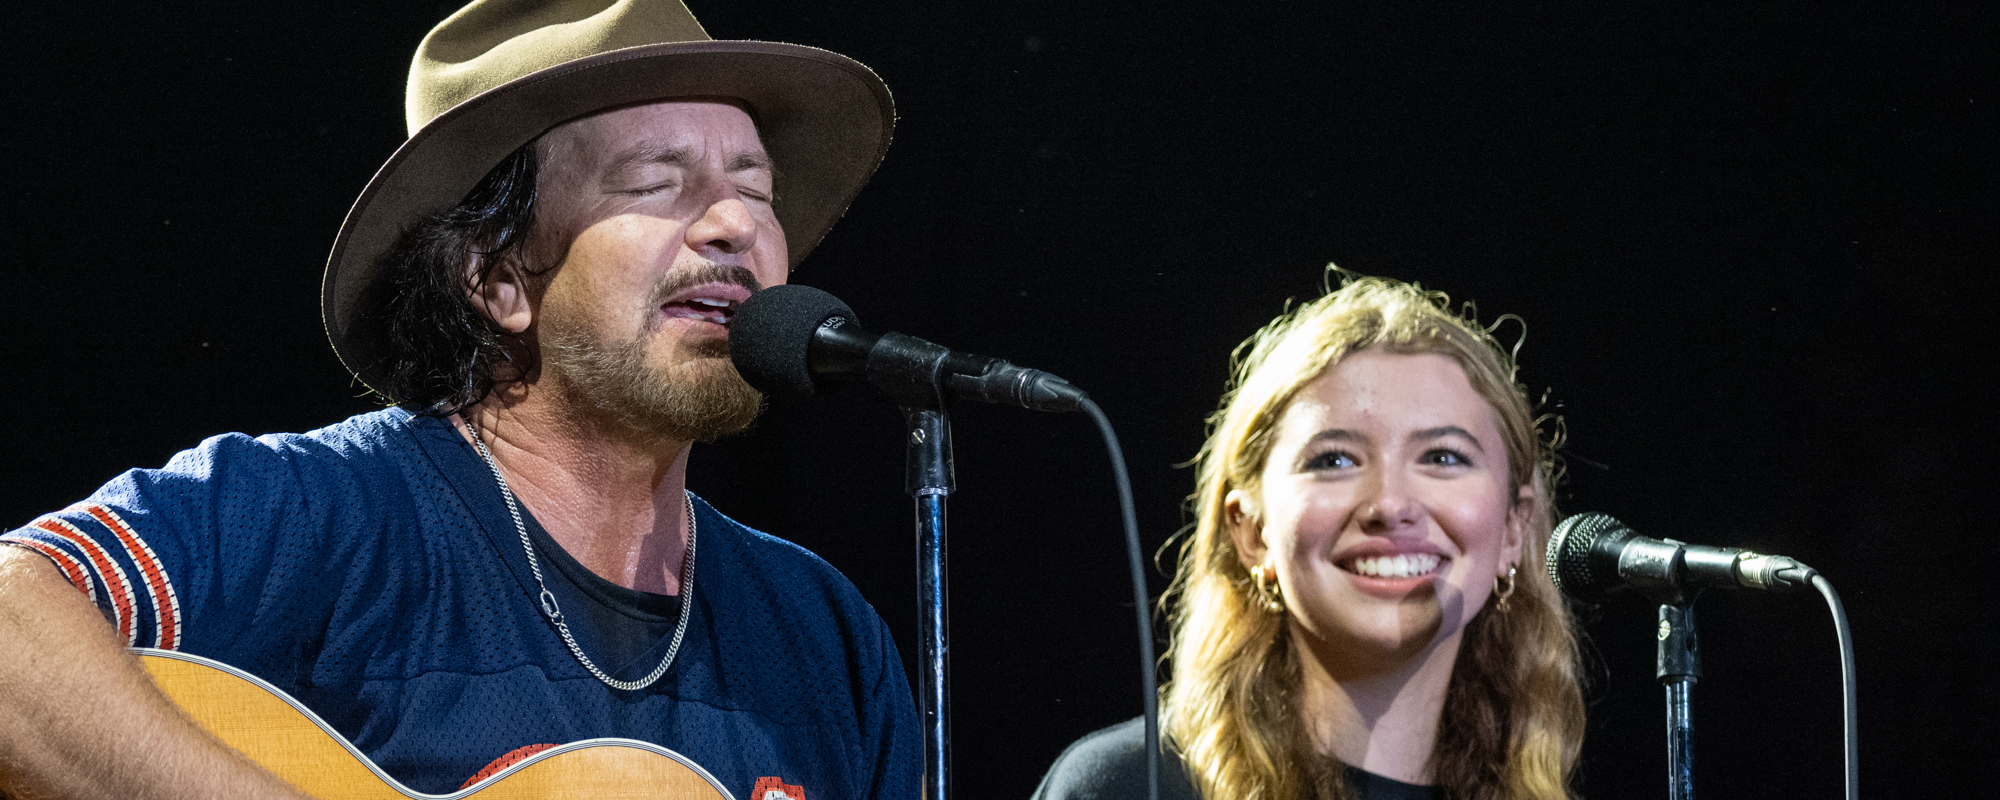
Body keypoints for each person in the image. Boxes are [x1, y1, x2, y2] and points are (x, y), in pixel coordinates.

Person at [0, 1, 917, 798]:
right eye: (656, 183)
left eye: (756, 191)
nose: (734, 225)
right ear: (498, 278)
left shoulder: (826, 640)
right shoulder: (327, 516)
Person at [1034, 274, 1586, 800]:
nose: (1390, 505)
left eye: (1442, 457)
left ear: (1515, 528)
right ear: (1251, 531)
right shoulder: (1125, 787)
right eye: (1335, 459)